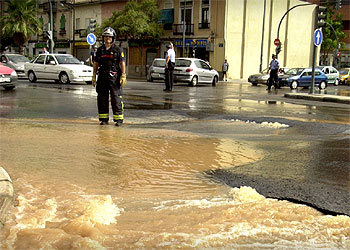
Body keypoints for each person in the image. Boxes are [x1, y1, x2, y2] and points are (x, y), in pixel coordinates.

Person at [92, 27, 127, 126]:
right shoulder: (100, 50)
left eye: (109, 37)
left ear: (113, 38)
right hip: (102, 76)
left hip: (114, 77)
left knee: (116, 98)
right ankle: (104, 119)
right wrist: (94, 76)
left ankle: (118, 119)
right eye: (106, 37)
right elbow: (96, 63)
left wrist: (123, 75)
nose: (108, 38)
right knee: (102, 98)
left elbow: (122, 63)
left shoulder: (118, 49)